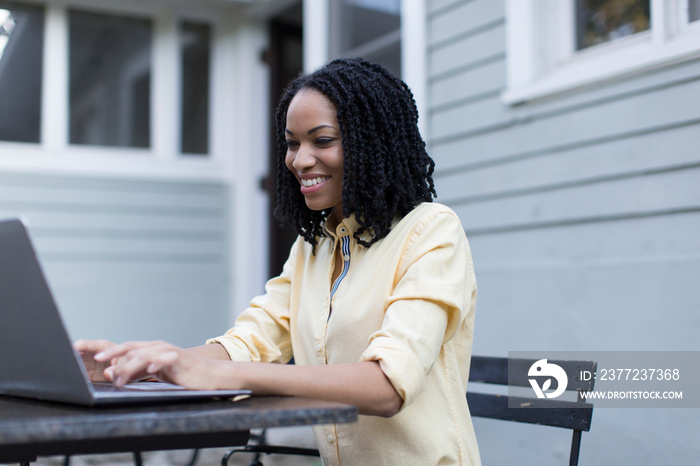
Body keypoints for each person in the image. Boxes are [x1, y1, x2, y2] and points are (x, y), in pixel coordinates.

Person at [75, 57, 481, 466]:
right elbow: (249, 344)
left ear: (373, 142)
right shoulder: (313, 249)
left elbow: (387, 386)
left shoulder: (431, 232)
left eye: (322, 140)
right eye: (291, 143)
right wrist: (137, 366)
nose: (299, 160)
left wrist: (221, 376)